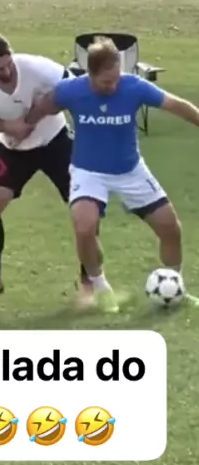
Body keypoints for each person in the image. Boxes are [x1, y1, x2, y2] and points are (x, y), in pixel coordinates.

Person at [26, 36, 199, 311]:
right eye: (107, 81)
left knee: (170, 227)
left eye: (117, 78)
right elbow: (42, 107)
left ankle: (175, 286)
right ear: (90, 74)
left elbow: (177, 105)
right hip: (88, 171)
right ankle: (100, 288)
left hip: (131, 170)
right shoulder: (70, 90)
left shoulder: (134, 86)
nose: (113, 85)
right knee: (84, 226)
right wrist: (20, 130)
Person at [0, 32, 100, 303]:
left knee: (85, 210)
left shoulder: (38, 68)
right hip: (14, 150)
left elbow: (77, 91)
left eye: (8, 64)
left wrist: (51, 108)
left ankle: (89, 281)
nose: (5, 72)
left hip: (56, 142)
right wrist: (8, 126)